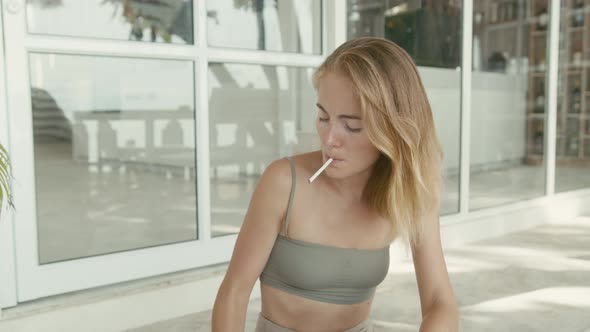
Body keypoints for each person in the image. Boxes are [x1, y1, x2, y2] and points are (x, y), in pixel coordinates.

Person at [212, 37, 459, 332]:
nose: (329, 140)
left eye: (352, 126)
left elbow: (439, 301)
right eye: (323, 117)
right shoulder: (283, 182)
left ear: (393, 129)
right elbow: (234, 293)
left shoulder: (410, 192)